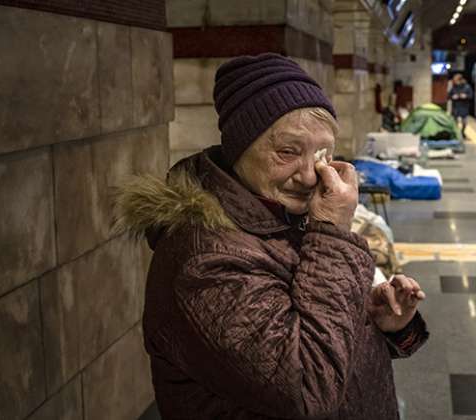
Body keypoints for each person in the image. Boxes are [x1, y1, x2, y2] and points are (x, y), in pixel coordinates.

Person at [114, 53, 429, 419]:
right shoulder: (204, 259)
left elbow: (326, 338)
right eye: (287, 152)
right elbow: (310, 385)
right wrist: (330, 235)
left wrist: (384, 325)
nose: (311, 175)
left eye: (322, 153)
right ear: (239, 150)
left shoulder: (284, 219)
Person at [448, 73, 473, 137]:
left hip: (464, 106)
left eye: (456, 81)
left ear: (460, 80)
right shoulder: (454, 87)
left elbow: (471, 96)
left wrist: (466, 96)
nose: (455, 82)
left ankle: (462, 132)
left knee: (464, 122)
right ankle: (457, 134)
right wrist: (453, 97)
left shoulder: (467, 87)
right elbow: (449, 96)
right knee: (455, 122)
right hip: (456, 107)